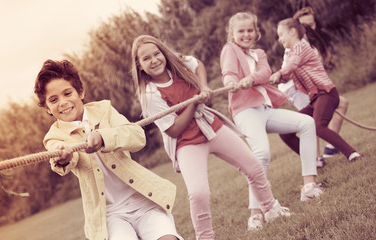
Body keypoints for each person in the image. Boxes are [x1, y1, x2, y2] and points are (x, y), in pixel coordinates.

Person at [131, 34, 290, 239]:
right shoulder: (150, 94)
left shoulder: (178, 64)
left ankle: (272, 210)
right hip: (187, 142)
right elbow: (173, 130)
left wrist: (203, 86)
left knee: (253, 166)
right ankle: (205, 237)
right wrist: (194, 102)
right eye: (146, 58)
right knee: (198, 193)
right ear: (140, 65)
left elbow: (197, 64)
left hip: (211, 127)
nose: (154, 60)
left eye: (156, 54)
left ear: (163, 53)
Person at [34, 59, 183, 240]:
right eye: (53, 100)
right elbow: (59, 157)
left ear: (80, 92)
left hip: (143, 200)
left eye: (67, 93)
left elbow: (137, 136)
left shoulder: (104, 109)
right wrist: (64, 156)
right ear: (47, 108)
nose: (63, 102)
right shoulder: (54, 136)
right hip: (110, 215)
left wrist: (104, 138)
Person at [220, 12, 323, 231]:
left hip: (265, 109)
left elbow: (266, 72)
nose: (246, 34)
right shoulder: (230, 49)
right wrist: (232, 82)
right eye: (241, 31)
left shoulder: (259, 53)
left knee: (306, 123)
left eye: (250, 30)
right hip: (245, 111)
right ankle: (256, 215)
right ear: (232, 33)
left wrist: (252, 78)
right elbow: (228, 72)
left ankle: (309, 187)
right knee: (262, 154)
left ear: (256, 33)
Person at [269, 18, 363, 163]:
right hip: (315, 99)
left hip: (326, 94)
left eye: (281, 34)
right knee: (285, 133)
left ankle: (352, 154)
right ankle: (313, 159)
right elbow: (288, 74)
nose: (280, 39)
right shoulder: (291, 53)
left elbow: (292, 65)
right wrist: (271, 79)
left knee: (318, 126)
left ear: (292, 32)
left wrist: (280, 73)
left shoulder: (301, 47)